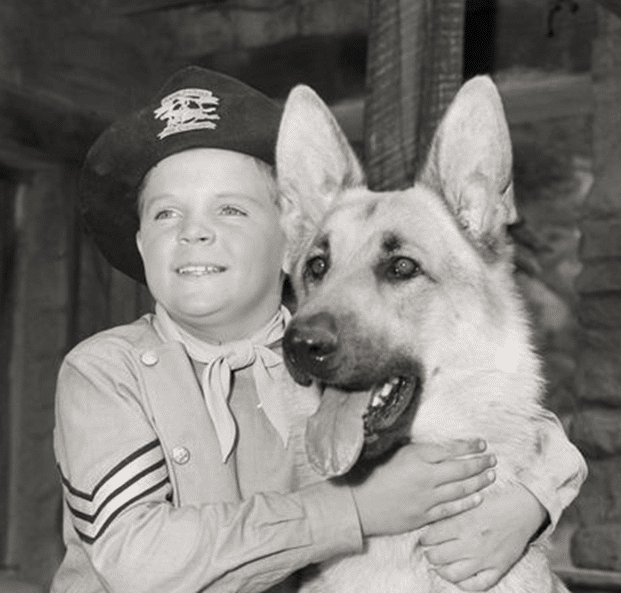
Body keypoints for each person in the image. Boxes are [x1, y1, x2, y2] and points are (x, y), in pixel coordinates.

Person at [52, 66, 587, 593]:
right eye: (166, 214)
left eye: (230, 209)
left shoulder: (303, 354)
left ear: (284, 238)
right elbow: (135, 561)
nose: (195, 233)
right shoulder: (106, 371)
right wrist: (354, 510)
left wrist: (531, 502)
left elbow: (513, 413)